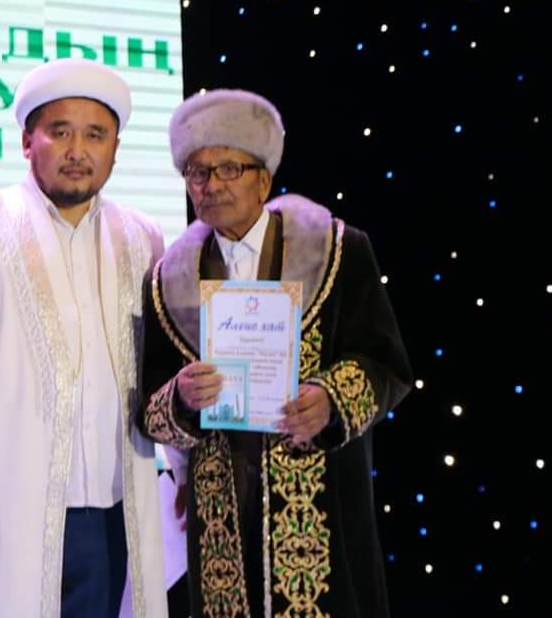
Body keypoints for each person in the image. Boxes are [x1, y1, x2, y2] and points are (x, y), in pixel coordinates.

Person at [0, 58, 168, 618]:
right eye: (60, 132)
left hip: (116, 502)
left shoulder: (142, 236)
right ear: (28, 141)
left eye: (95, 135)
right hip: (6, 499)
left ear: (116, 148)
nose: (78, 151)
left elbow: (163, 364)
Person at [139, 89, 412, 618]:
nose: (212, 184)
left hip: (320, 508)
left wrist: (330, 400)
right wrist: (182, 398)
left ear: (263, 180)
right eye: (197, 172)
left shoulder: (339, 251)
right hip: (221, 516)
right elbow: (150, 408)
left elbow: (386, 365)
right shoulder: (166, 282)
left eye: (229, 168)